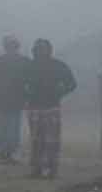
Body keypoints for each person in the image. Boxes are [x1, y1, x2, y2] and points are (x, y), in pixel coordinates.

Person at [23, 38, 77, 179]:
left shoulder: (58, 65)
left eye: (43, 48)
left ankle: (52, 169)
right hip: (34, 108)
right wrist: (26, 94)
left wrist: (59, 93)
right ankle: (36, 169)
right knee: (36, 140)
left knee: (52, 141)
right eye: (38, 49)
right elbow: (20, 84)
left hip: (52, 108)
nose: (40, 51)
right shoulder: (29, 66)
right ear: (34, 51)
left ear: (49, 50)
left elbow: (72, 83)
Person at [0, 35, 30, 165]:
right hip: (16, 99)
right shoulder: (24, 61)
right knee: (13, 127)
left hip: (3, 99)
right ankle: (11, 153)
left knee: (3, 127)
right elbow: (30, 80)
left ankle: (3, 153)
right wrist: (26, 96)